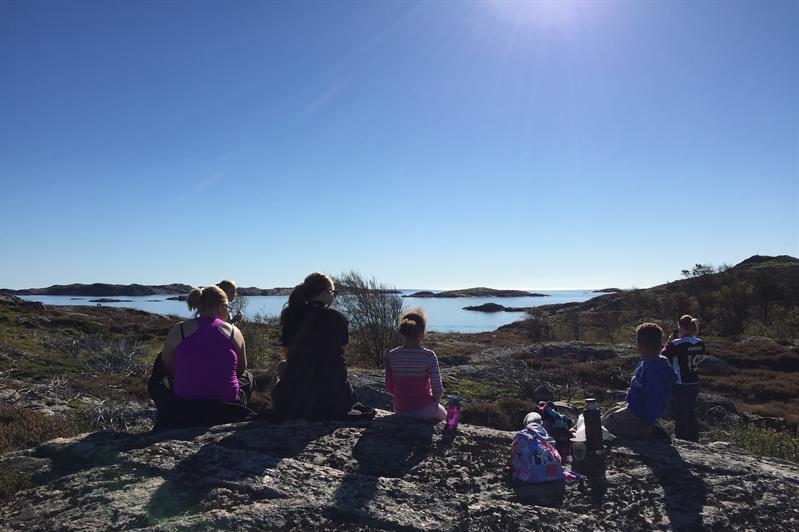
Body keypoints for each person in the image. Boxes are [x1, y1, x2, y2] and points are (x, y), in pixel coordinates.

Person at [149, 285, 254, 428]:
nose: (229, 313)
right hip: (226, 408)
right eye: (228, 308)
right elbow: (241, 370)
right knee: (248, 376)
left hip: (184, 407)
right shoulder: (233, 332)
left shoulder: (179, 329)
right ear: (220, 307)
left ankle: (165, 416)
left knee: (158, 372)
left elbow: (166, 368)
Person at [271, 272, 367, 421]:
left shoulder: (291, 315)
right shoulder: (337, 318)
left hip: (295, 398)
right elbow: (341, 353)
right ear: (324, 292)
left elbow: (288, 355)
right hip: (332, 398)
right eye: (333, 292)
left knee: (283, 367)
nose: (334, 296)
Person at [602, 323, 677, 440]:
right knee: (607, 415)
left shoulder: (654, 370)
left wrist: (648, 424)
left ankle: (652, 432)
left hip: (639, 414)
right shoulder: (647, 362)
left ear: (640, 346)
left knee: (605, 425)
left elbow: (654, 400)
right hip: (633, 407)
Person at [385, 309, 447, 422]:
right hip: (424, 409)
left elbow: (389, 387)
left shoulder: (392, 355)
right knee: (451, 412)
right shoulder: (429, 356)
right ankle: (453, 428)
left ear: (402, 332)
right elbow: (438, 390)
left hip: (400, 409)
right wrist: (434, 402)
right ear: (422, 332)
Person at [662, 315, 704, 442]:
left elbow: (663, 357)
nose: (678, 329)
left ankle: (683, 443)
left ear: (683, 327)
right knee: (691, 413)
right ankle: (694, 440)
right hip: (694, 382)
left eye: (679, 327)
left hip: (680, 384)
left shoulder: (676, 344)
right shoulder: (700, 343)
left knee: (680, 416)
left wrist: (668, 343)